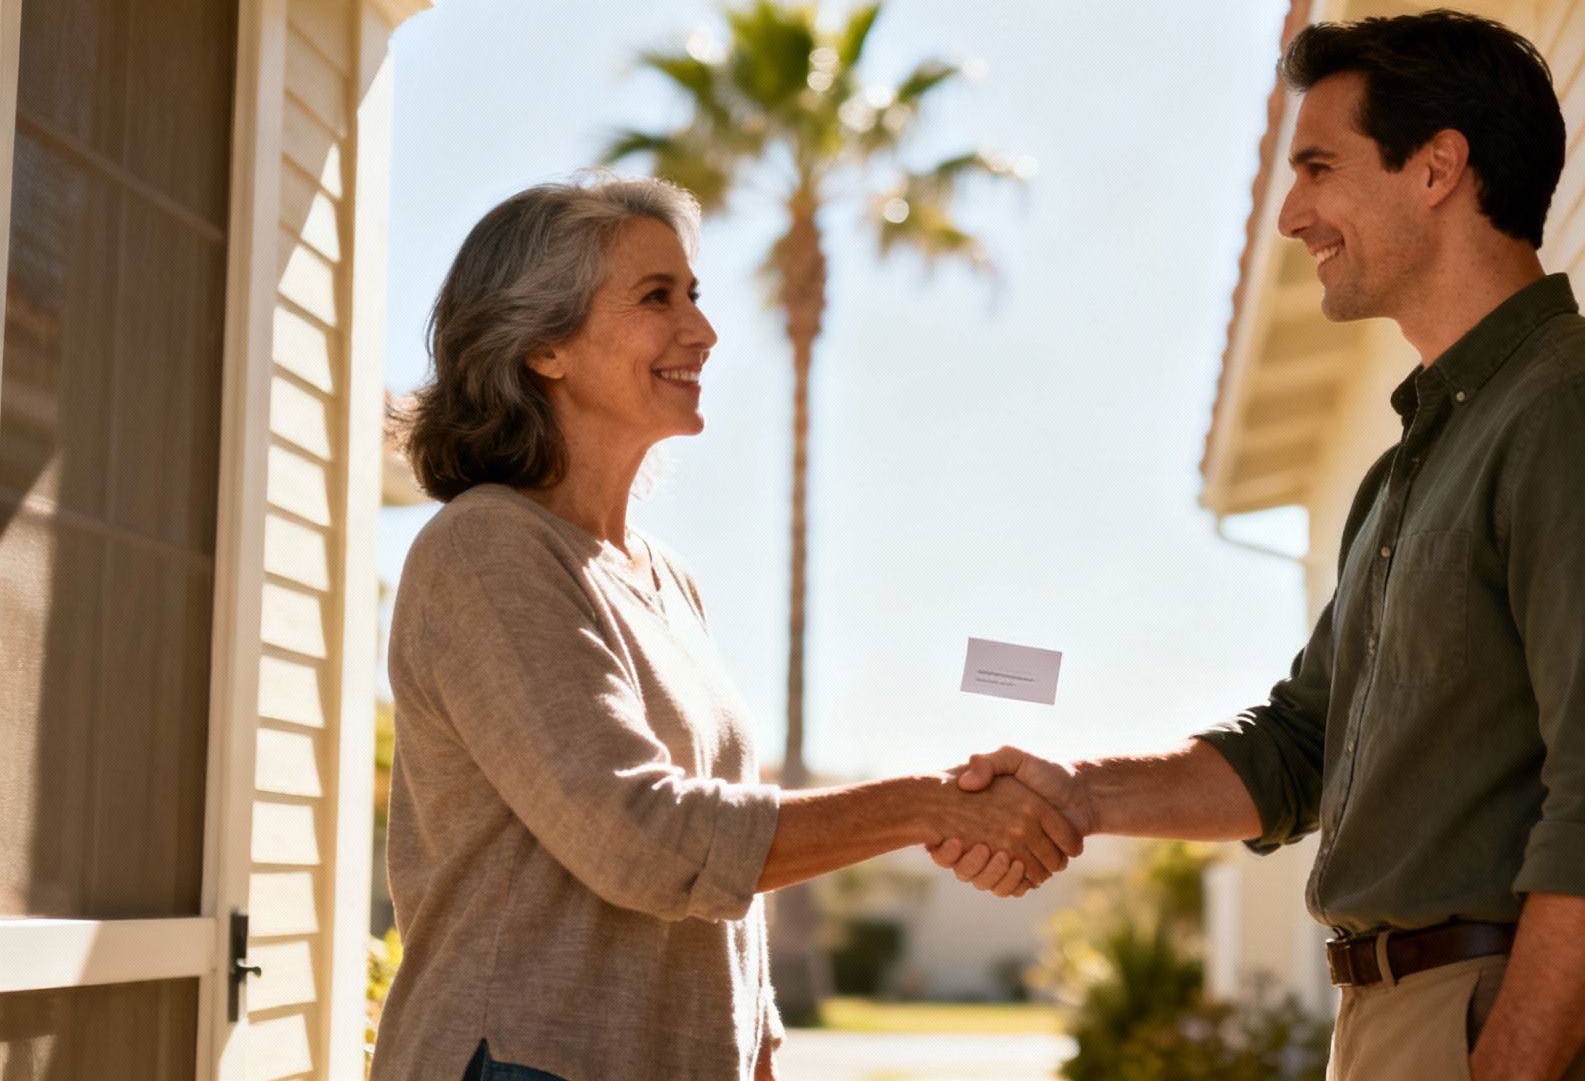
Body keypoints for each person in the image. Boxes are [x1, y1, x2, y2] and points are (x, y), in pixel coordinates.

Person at [930, 11, 1585, 1081]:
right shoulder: (1417, 458)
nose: (1291, 216)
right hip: (1399, 1022)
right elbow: (1301, 747)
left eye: (1317, 167)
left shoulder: (1582, 414)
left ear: (1437, 168)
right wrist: (1080, 793)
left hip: (1512, 1027)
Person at [372, 173, 1081, 1081]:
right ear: (545, 344)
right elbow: (643, 839)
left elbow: (717, 862)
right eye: (655, 297)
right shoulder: (487, 551)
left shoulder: (666, 579)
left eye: (694, 295)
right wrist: (927, 804)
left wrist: (759, 1036)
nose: (701, 330)